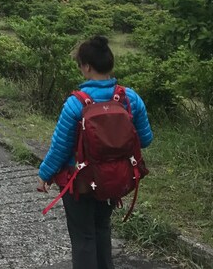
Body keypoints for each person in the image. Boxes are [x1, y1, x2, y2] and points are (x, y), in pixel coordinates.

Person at [36, 35, 153, 269]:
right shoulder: (130, 98)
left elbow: (61, 147)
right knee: (102, 229)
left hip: (79, 182)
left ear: (87, 66)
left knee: (83, 237)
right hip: (114, 180)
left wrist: (45, 175)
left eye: (80, 64)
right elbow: (146, 139)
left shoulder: (76, 103)